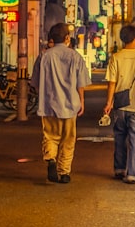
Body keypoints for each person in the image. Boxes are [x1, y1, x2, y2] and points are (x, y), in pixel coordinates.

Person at [31, 23, 91, 184]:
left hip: (48, 105)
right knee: (68, 139)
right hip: (71, 105)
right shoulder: (75, 57)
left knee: (50, 136)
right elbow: (81, 84)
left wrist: (42, 96)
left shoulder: (43, 56)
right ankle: (64, 172)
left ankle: (50, 158)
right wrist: (82, 102)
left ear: (51, 38)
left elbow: (35, 83)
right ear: (66, 38)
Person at [103, 24, 135, 184]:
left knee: (119, 136)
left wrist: (109, 103)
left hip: (120, 105)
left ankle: (119, 169)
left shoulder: (116, 57)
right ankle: (132, 173)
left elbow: (111, 83)